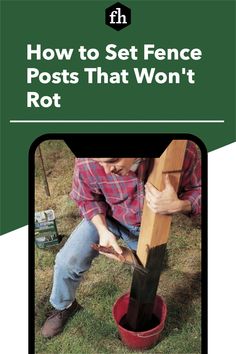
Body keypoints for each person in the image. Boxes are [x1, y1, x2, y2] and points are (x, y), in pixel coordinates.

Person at [41, 140, 201, 338]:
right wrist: (102, 229)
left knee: (148, 270)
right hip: (107, 217)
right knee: (67, 262)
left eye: (113, 161)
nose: (107, 170)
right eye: (100, 163)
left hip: (146, 228)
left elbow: (200, 189)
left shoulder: (182, 151)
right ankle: (64, 305)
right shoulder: (87, 160)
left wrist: (181, 205)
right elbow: (86, 198)